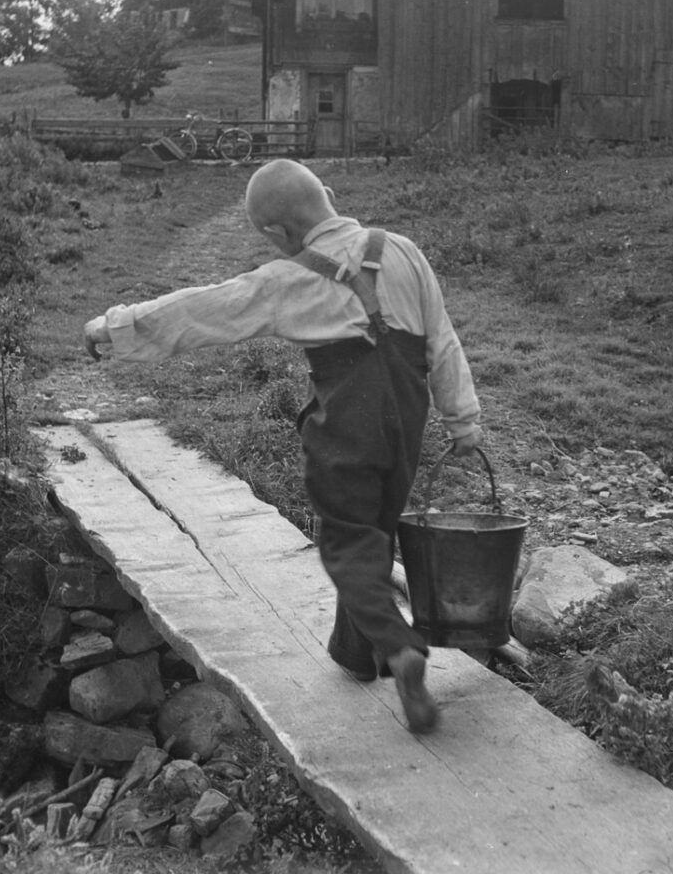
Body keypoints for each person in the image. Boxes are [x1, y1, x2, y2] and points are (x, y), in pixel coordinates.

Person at [84, 159, 481, 733]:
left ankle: (399, 647)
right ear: (328, 195)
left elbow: (204, 308)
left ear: (275, 233)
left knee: (346, 541)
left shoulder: (286, 279)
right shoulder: (404, 250)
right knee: (376, 526)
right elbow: (442, 340)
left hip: (347, 422)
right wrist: (463, 419)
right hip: (407, 418)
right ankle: (356, 652)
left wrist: (114, 327)